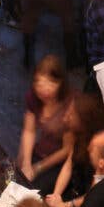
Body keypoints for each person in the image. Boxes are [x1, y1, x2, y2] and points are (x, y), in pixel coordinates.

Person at [18, 54, 76, 195]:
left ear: (61, 82)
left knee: (33, 193)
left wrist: (38, 167)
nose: (44, 89)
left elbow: (67, 149)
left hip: (62, 161)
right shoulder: (33, 97)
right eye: (39, 82)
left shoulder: (70, 105)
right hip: (41, 151)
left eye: (51, 83)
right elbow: (29, 131)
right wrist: (26, 163)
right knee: (15, 181)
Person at [47, 94, 104, 207]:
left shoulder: (102, 150)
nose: (66, 117)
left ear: (84, 121)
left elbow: (94, 195)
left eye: (71, 114)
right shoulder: (80, 134)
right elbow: (69, 164)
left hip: (90, 201)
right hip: (75, 187)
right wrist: (56, 195)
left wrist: (63, 206)